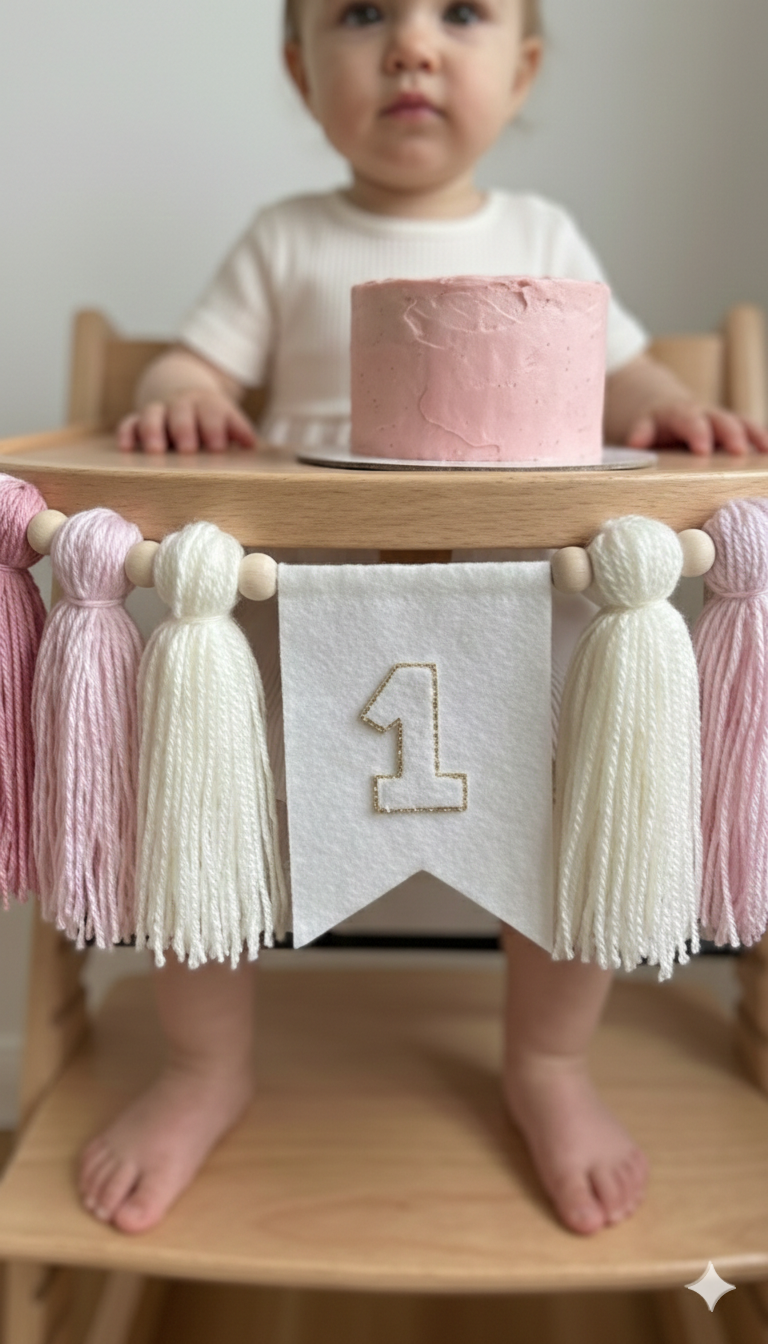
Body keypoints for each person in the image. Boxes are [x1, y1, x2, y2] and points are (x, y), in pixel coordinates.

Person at [78, 0, 768, 1240]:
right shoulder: (286, 241)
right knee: (197, 815)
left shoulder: (541, 237)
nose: (411, 44)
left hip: (518, 638)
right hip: (295, 637)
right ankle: (204, 1065)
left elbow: (626, 372)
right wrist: (181, 396)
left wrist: (667, 398)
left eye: (462, 12)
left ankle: (550, 1065)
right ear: (299, 72)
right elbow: (196, 367)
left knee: (571, 828)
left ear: (526, 66)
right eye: (360, 14)